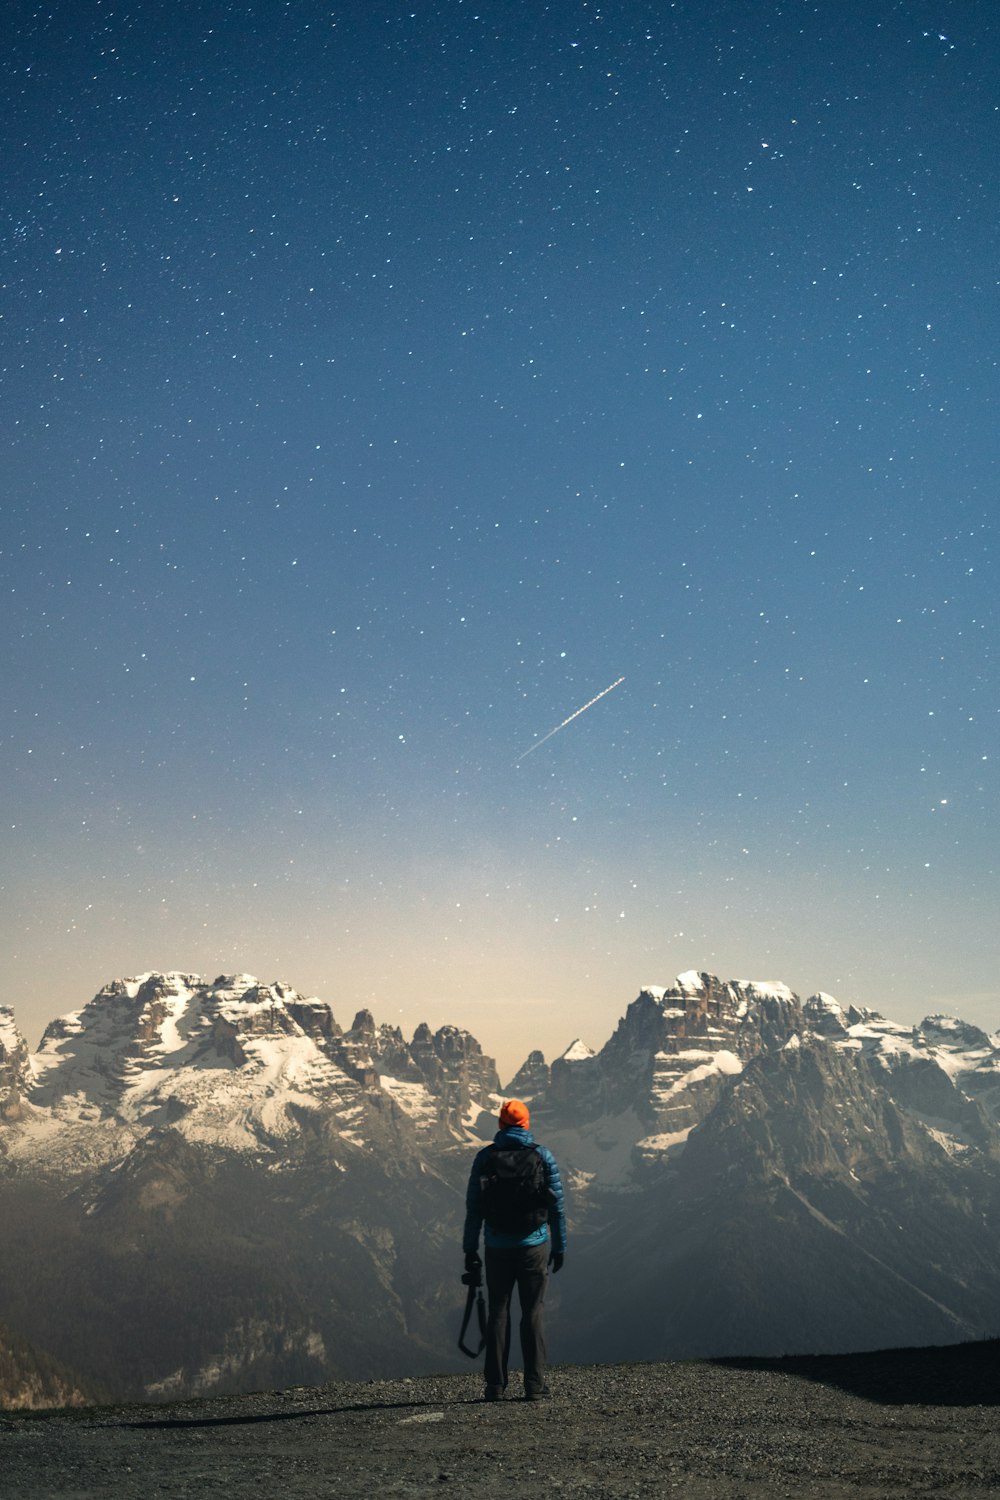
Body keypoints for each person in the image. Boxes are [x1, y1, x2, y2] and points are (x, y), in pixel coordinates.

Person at [463, 1098, 567, 1401]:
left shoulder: (485, 1158)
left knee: (498, 1312)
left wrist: (471, 1249)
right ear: (526, 1124)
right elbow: (557, 1207)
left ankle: (495, 1385)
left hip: (496, 1247)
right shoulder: (542, 1156)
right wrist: (559, 1246)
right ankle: (534, 1385)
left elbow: (474, 1209)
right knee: (532, 1313)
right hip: (534, 1247)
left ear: (500, 1125)